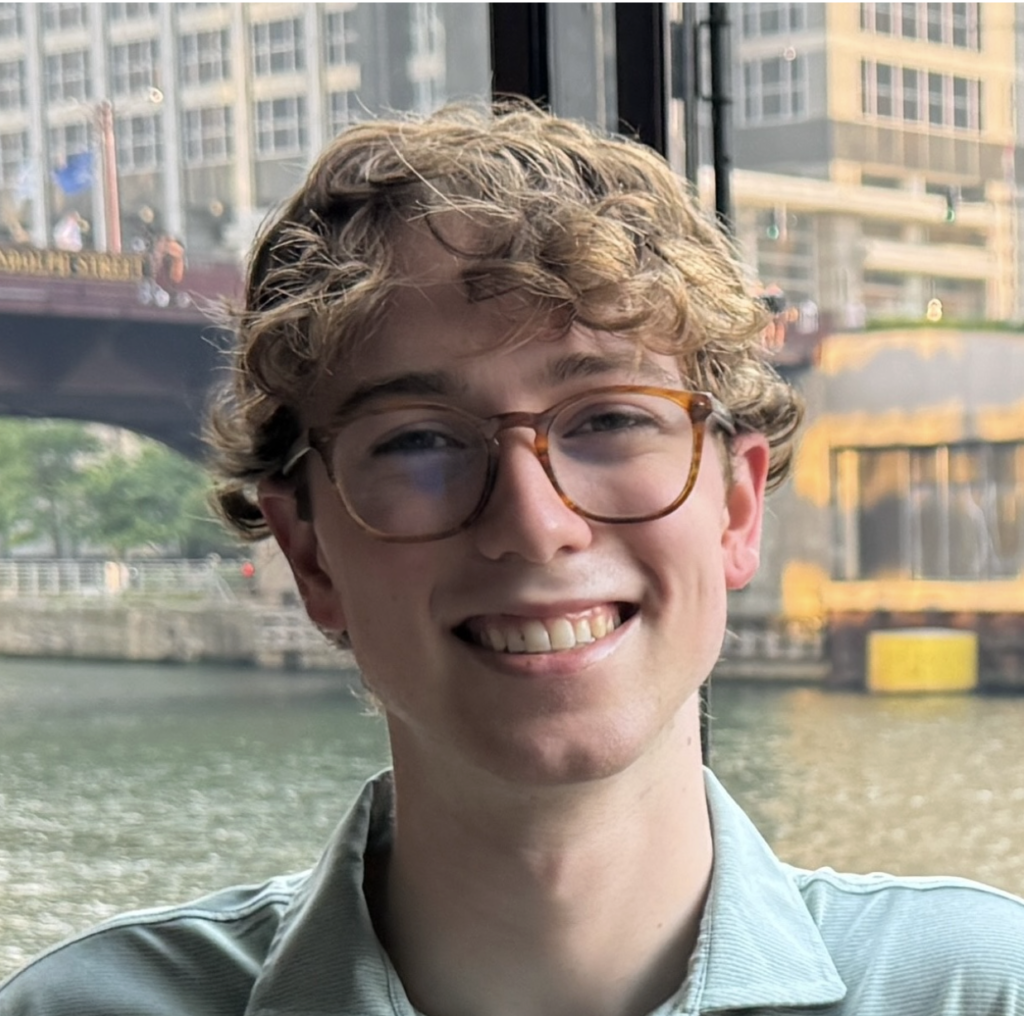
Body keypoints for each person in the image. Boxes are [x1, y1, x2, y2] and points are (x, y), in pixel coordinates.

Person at [2, 102, 1023, 1016]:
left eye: (611, 418)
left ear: (736, 507)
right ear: (310, 556)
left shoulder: (981, 988)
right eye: (418, 440)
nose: (534, 523)